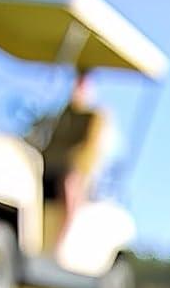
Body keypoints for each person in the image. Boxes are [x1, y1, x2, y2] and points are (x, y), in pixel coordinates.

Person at [31, 71, 111, 241]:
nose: (77, 88)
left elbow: (88, 149)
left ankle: (61, 240)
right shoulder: (61, 115)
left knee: (69, 183)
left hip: (74, 172)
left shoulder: (94, 116)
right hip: (49, 166)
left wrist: (68, 163)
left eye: (82, 84)